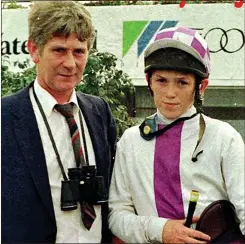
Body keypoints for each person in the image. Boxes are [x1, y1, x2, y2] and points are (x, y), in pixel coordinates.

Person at [108, 26, 245, 243]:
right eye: (161, 80)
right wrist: (160, 230)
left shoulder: (224, 137)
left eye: (182, 82)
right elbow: (116, 215)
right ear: (148, 81)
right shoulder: (130, 141)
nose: (170, 93)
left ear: (201, 86)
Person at [2, 1, 117, 243]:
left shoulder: (99, 111)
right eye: (59, 50)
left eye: (79, 51)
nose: (70, 63)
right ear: (34, 50)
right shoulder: (6, 116)